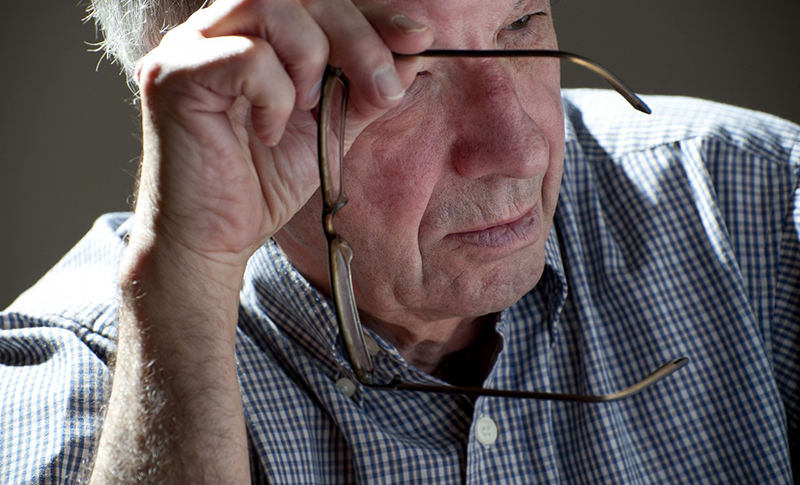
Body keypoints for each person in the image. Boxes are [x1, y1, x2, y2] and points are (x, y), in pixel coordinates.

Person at [1, 0, 797, 482]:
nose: (519, 149)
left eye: (520, 22)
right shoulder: (85, 384)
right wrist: (186, 284)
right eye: (405, 73)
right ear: (237, 95)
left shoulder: (756, 204)